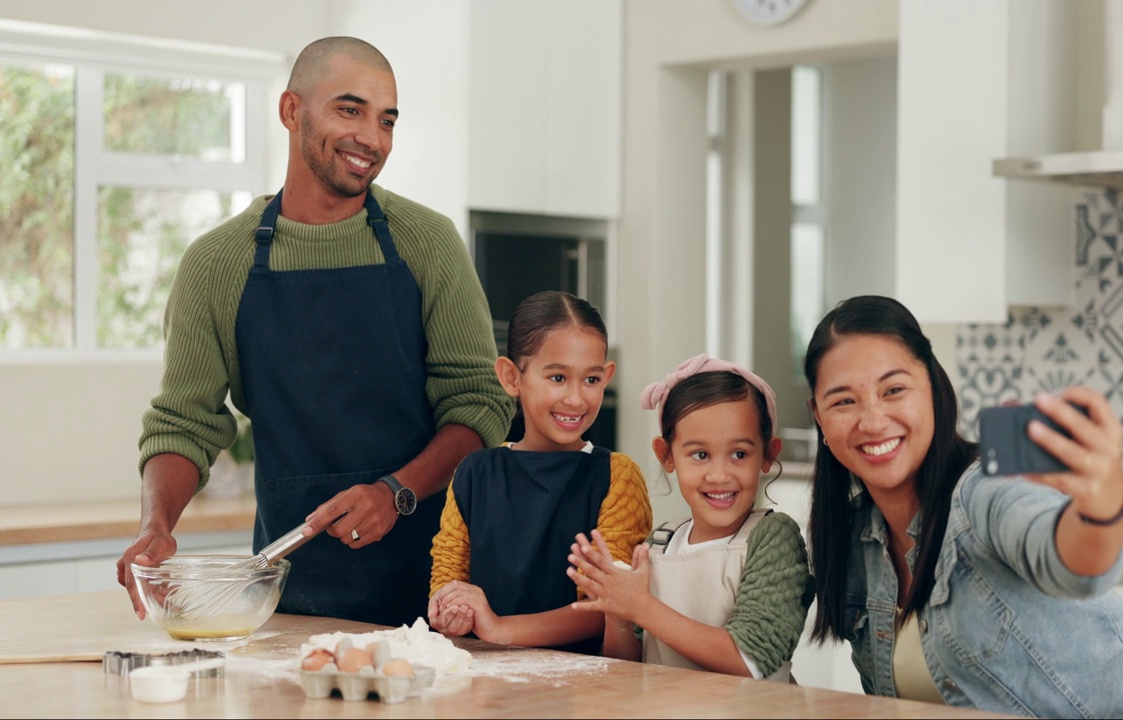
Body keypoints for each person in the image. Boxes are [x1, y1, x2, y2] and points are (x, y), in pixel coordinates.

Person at [116, 36, 514, 627]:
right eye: (349, 110)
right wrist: (156, 526)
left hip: (440, 596)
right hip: (289, 599)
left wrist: (396, 493)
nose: (372, 139)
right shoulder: (217, 264)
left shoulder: (427, 244)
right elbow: (184, 422)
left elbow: (480, 406)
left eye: (387, 120)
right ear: (291, 111)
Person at [803, 295, 1123, 717]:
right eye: (844, 401)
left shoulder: (983, 490)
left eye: (894, 389)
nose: (873, 420)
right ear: (819, 417)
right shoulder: (850, 543)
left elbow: (1075, 565)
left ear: (933, 387)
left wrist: (1101, 500)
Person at [427, 291, 652, 654]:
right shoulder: (474, 473)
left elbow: (609, 607)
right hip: (485, 685)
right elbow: (448, 580)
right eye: (558, 377)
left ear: (607, 376)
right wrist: (451, 610)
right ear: (511, 377)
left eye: (591, 380)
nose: (576, 399)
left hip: (582, 693)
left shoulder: (617, 477)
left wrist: (499, 627)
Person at [567, 354, 814, 681]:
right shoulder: (660, 543)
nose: (719, 474)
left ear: (768, 454)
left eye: (739, 454)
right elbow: (627, 671)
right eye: (700, 455)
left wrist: (640, 606)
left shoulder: (773, 537)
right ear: (666, 455)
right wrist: (618, 614)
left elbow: (751, 659)